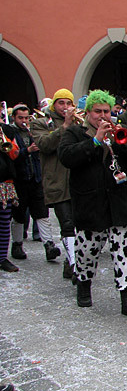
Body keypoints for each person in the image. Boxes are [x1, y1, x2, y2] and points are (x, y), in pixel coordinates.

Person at [57, 90, 127, 320]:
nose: (103, 115)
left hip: (121, 204)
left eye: (106, 111)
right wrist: (96, 140)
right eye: (98, 111)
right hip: (90, 203)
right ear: (88, 113)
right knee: (87, 251)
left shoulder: (121, 131)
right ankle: (84, 285)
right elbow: (67, 157)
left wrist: (121, 141)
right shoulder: (75, 133)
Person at [30, 89, 77, 280]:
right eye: (61, 103)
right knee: (67, 223)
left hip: (77, 179)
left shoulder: (77, 121)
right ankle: (75, 265)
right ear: (54, 104)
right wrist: (65, 127)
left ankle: (71, 261)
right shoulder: (41, 122)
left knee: (80, 225)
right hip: (57, 181)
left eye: (68, 103)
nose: (65, 107)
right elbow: (45, 144)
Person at [9, 105, 62, 262]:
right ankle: (17, 245)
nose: (25, 121)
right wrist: (28, 150)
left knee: (42, 213)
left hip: (36, 179)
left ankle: (49, 245)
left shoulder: (33, 131)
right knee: (19, 214)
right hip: (20, 180)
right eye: (21, 118)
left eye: (26, 117)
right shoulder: (10, 133)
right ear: (14, 118)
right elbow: (11, 155)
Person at [0, 119, 20, 273]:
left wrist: (3, 136)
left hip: (4, 182)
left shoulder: (7, 130)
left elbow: (14, 154)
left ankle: (2, 258)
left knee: (4, 222)